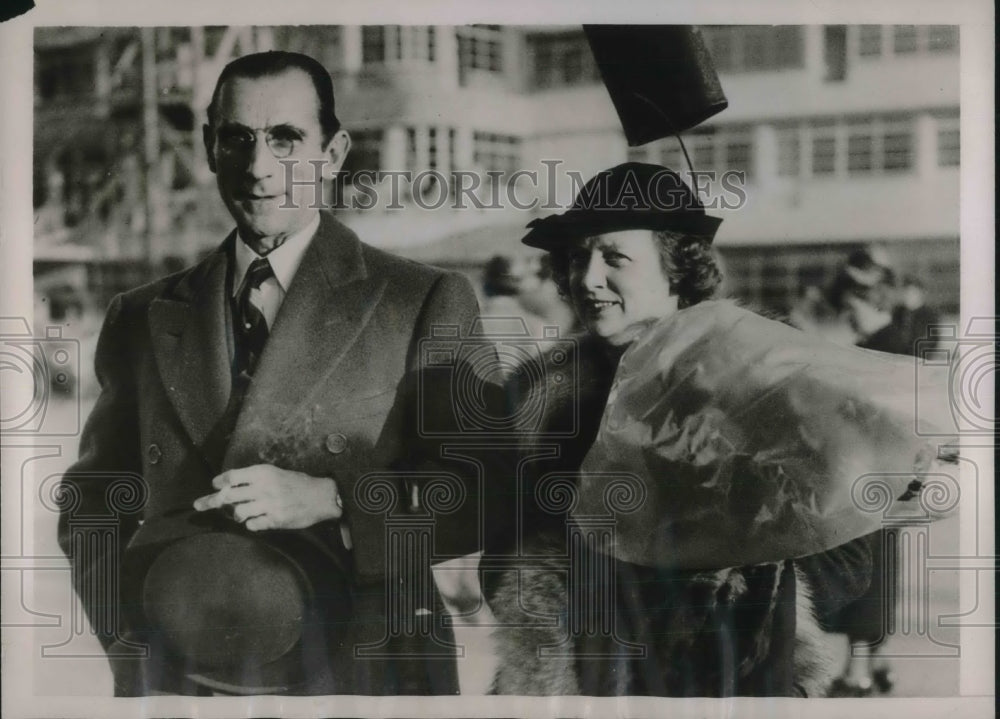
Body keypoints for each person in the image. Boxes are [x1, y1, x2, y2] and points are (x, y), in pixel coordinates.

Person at [57, 51, 482, 696]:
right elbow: (91, 500)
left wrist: (336, 499)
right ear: (207, 147)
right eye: (238, 139)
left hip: (365, 674)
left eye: (286, 139)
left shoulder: (417, 299)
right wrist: (130, 641)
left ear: (334, 153)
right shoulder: (142, 314)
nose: (259, 168)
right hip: (185, 681)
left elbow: (483, 493)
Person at [482, 163, 901, 697]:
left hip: (732, 680)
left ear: (676, 267)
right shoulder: (540, 396)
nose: (587, 278)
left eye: (614, 257)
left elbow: (850, 557)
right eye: (579, 256)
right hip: (578, 683)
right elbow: (499, 552)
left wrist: (735, 566)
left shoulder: (764, 381)